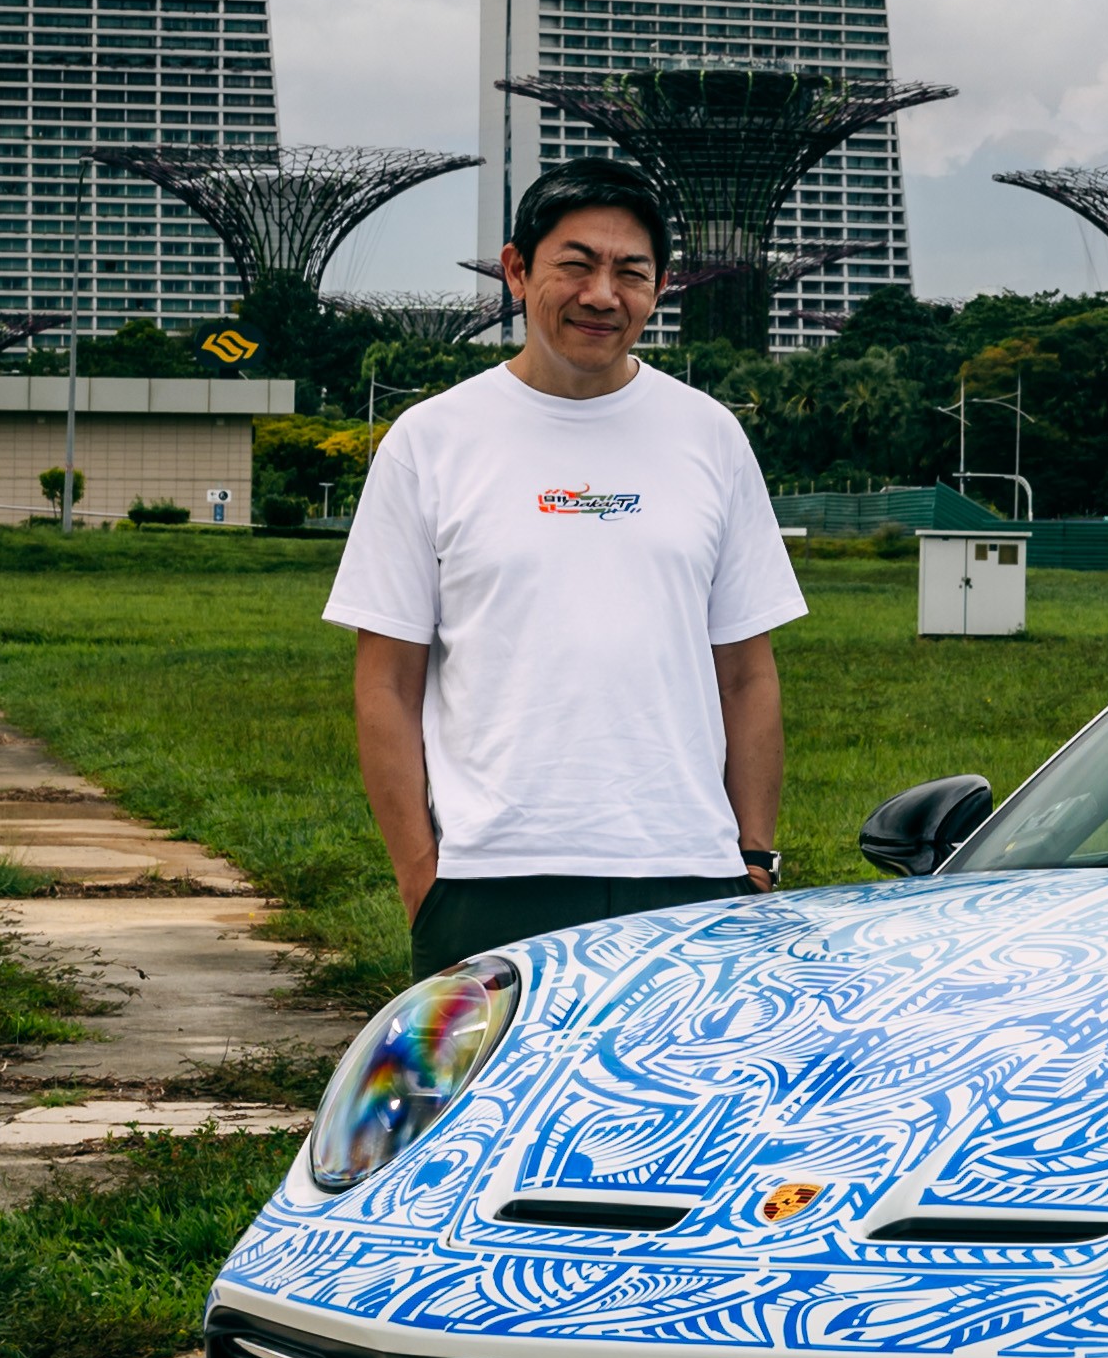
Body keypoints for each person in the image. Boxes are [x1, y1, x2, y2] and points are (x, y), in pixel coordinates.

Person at [326, 161, 809, 947]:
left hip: (691, 875)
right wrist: (423, 880)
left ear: (659, 288)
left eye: (631, 273)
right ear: (517, 270)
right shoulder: (432, 440)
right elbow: (386, 680)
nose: (602, 296)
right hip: (492, 881)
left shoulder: (708, 435)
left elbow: (746, 672)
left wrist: (752, 856)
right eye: (576, 265)